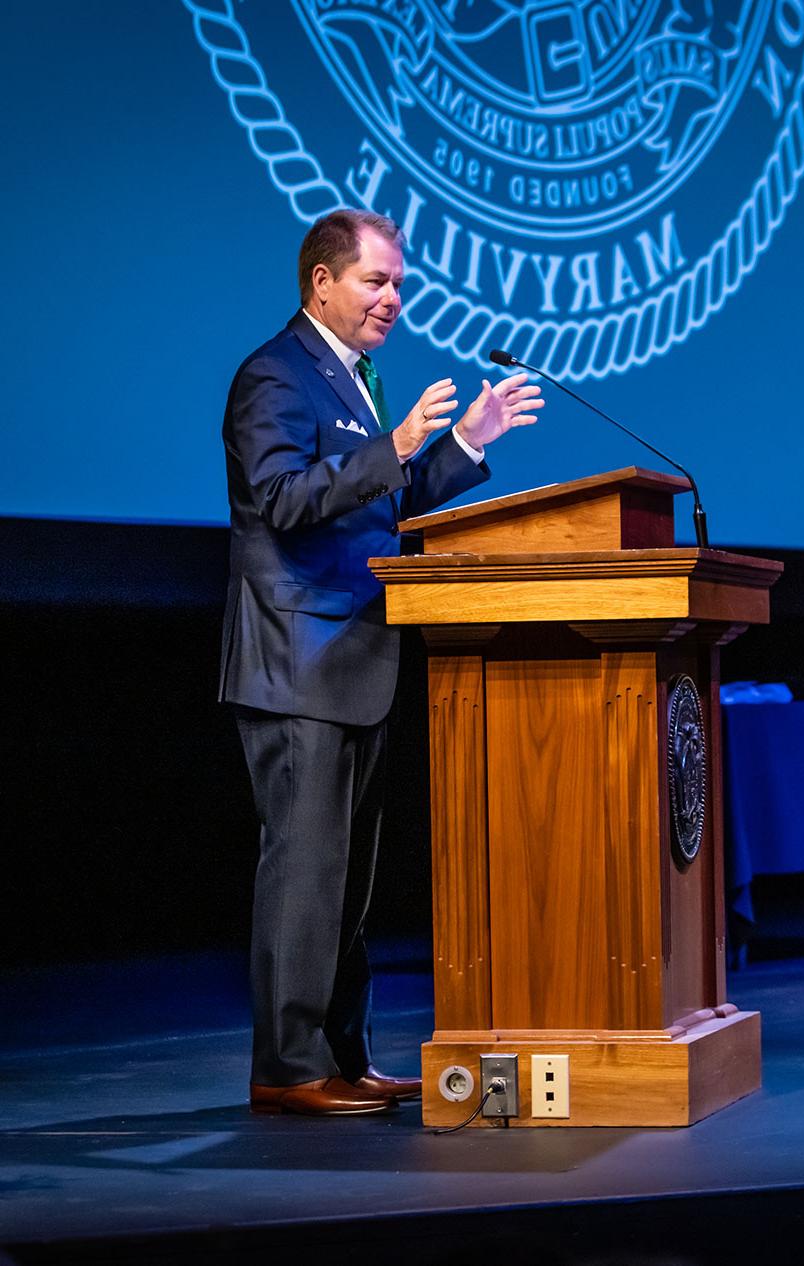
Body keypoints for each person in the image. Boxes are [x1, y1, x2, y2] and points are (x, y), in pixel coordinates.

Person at [220, 208, 543, 1116]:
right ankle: (285, 1070)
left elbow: (380, 511)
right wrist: (392, 447)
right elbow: (283, 500)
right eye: (376, 281)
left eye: (398, 283)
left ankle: (344, 1058)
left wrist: (465, 443)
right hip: (298, 660)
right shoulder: (273, 375)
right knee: (305, 872)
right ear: (321, 282)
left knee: (348, 883)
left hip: (355, 655)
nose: (393, 298)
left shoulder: (352, 380)